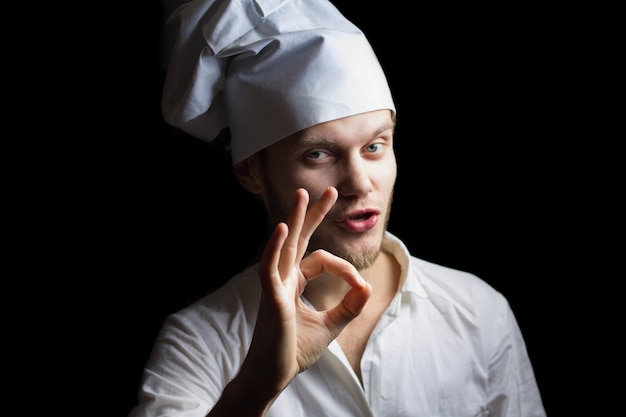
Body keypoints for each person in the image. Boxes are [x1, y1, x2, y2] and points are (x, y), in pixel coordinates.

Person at [129, 0, 547, 415]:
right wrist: (257, 385)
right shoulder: (199, 341)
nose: (359, 183)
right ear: (251, 172)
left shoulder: (479, 314)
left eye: (374, 146)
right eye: (318, 155)